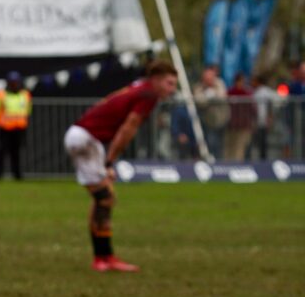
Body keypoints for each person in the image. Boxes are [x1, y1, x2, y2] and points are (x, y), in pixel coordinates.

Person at [64, 60, 178, 272]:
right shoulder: (149, 95)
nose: (173, 89)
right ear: (156, 80)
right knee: (105, 198)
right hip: (87, 139)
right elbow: (129, 127)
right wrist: (110, 160)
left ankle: (105, 256)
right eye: (169, 83)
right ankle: (102, 258)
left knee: (103, 199)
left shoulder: (140, 87)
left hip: (86, 138)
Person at [0, 72, 31, 180]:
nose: (14, 84)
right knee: (0, 153)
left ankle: (17, 176)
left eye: (16, 82)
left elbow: (28, 110)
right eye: (12, 82)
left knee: (16, 153)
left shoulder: (25, 95)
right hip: (4, 129)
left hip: (19, 129)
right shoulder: (0, 95)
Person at [192, 65, 229, 159]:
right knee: (211, 143)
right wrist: (209, 97)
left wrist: (211, 96)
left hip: (222, 121)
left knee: (221, 145)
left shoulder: (220, 83)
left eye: (211, 77)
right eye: (206, 77)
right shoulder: (198, 87)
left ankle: (220, 163)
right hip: (207, 122)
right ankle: (211, 162)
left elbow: (222, 97)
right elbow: (200, 102)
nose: (209, 80)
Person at [224, 73, 255, 161]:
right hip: (231, 124)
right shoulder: (230, 92)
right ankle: (227, 164)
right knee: (230, 145)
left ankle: (237, 164)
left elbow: (252, 109)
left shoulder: (247, 93)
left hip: (243, 125)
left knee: (240, 146)